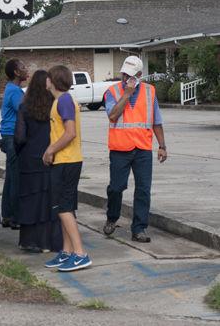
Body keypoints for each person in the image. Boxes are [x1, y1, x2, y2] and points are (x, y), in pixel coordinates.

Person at [102, 56, 167, 243]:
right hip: (120, 149)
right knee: (116, 188)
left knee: (143, 190)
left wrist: (162, 146)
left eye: (130, 75)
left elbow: (156, 121)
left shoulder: (150, 91)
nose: (125, 78)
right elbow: (113, 116)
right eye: (124, 74)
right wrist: (127, 94)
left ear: (139, 75)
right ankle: (112, 218)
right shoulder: (112, 92)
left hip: (143, 149)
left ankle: (139, 229)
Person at [43, 65, 91, 272]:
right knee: (64, 208)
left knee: (63, 208)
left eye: (47, 77)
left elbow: (70, 132)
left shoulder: (63, 100)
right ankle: (67, 251)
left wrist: (50, 150)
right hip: (66, 160)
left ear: (53, 80)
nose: (46, 81)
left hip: (66, 160)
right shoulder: (60, 101)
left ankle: (80, 253)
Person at [14, 70, 62, 253]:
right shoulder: (55, 106)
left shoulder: (24, 107)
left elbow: (19, 137)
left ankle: (31, 241)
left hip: (29, 159)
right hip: (51, 157)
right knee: (49, 200)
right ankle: (51, 242)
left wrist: (19, 153)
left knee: (30, 200)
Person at [0, 58, 29, 229]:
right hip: (12, 136)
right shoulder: (15, 91)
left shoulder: (13, 89)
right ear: (16, 73)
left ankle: (8, 215)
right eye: (23, 67)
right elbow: (25, 111)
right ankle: (15, 216)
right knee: (16, 176)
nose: (26, 69)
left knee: (11, 176)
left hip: (9, 135)